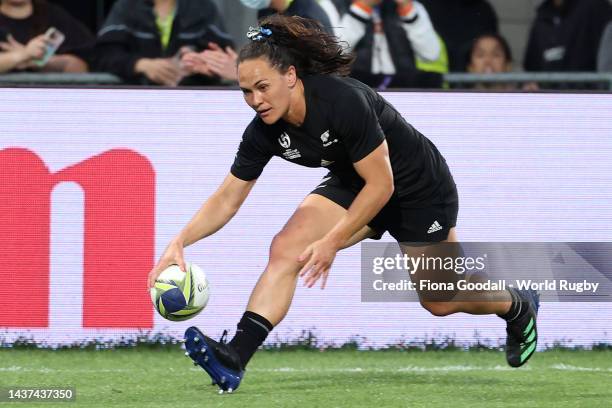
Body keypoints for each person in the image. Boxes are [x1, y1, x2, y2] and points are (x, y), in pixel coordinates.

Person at [148, 15, 540, 393]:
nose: (255, 100)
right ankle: (235, 357)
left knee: (440, 299)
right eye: (246, 91)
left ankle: (517, 305)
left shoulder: (342, 101)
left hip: (418, 189)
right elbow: (228, 198)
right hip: (356, 181)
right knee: (287, 248)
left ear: (290, 76)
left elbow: (383, 184)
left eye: (263, 87)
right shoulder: (264, 130)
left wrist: (333, 241)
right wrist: (180, 241)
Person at [181, 0, 334, 82]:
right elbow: (271, 57)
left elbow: (306, 78)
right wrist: (234, 63)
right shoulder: (267, 11)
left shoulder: (307, 18)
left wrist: (241, 72)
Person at [94, 0, 234, 86]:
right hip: (135, 104)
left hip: (192, 104)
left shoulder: (204, 7)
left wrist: (198, 59)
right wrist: (140, 64)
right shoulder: (125, 7)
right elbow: (103, 55)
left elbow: (224, 55)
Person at [334, 0, 447, 89]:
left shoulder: (415, 7)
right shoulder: (334, 5)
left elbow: (431, 54)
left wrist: (407, 9)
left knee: (432, 79)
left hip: (401, 88)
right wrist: (362, 7)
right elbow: (335, 52)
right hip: (358, 88)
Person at [0, 0, 93, 74]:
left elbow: (82, 69)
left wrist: (39, 61)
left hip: (49, 95)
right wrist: (23, 54)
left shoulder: (55, 16)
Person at [524, 0, 612, 73]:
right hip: (549, 92)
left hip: (587, 91)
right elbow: (532, 66)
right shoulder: (542, 17)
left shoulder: (595, 7)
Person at [419, 0, 498, 72]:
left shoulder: (484, 10)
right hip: (433, 81)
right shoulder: (422, 7)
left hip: (472, 82)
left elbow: (493, 47)